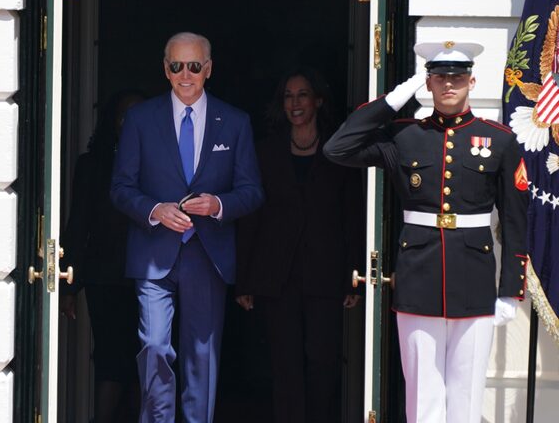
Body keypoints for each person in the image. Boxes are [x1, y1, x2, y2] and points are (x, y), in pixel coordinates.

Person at [323, 41, 528, 423]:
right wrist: (396, 98)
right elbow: (338, 148)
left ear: (471, 82)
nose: (449, 84)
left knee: (466, 399)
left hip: (474, 279)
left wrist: (510, 289)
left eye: (457, 78)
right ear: (428, 83)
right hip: (418, 277)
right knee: (422, 398)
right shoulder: (404, 136)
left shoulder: (499, 140)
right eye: (439, 78)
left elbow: (516, 221)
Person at [110, 32, 264, 423]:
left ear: (208, 69)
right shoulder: (141, 119)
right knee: (154, 346)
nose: (185, 75)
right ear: (165, 69)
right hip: (153, 253)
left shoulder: (234, 122)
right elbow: (121, 188)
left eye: (194, 66)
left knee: (201, 358)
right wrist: (155, 210)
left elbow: (252, 192)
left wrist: (218, 205)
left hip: (207, 254)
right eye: (177, 66)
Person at [235, 67, 363, 423]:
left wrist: (354, 274)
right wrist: (244, 280)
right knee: (284, 363)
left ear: (318, 101)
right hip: (277, 274)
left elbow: (353, 214)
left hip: (326, 272)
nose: (295, 103)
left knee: (322, 360)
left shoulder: (339, 149)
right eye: (288, 96)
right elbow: (251, 218)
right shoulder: (265, 152)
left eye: (302, 94)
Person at [60, 90, 145, 423]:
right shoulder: (93, 165)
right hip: (105, 277)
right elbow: (78, 225)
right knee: (112, 358)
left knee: (144, 359)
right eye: (125, 116)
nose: (132, 123)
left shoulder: (158, 163)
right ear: (113, 121)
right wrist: (69, 286)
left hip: (149, 278)